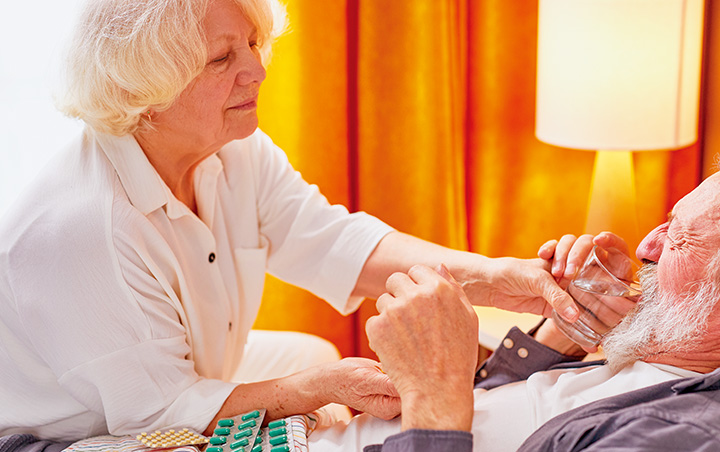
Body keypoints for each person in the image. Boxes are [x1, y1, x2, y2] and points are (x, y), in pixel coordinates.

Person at [0, 0, 585, 447]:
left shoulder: (232, 149)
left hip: (163, 379)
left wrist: (498, 279)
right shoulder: (87, 232)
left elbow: (333, 242)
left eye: (253, 43)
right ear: (144, 88)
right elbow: (159, 413)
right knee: (315, 377)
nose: (256, 69)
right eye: (222, 58)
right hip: (63, 433)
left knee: (310, 353)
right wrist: (318, 386)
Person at [307, 134, 720, 451]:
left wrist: (433, 395)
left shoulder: (683, 435)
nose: (645, 246)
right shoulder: (670, 363)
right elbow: (509, 409)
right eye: (666, 222)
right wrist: (567, 328)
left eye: (680, 239)